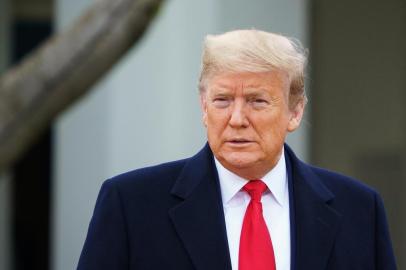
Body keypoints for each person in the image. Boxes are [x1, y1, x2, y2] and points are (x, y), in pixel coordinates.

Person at [77, 29, 397, 270]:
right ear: (203, 108)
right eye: (222, 101)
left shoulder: (359, 209)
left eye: (257, 101)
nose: (237, 119)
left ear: (295, 112)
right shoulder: (131, 205)